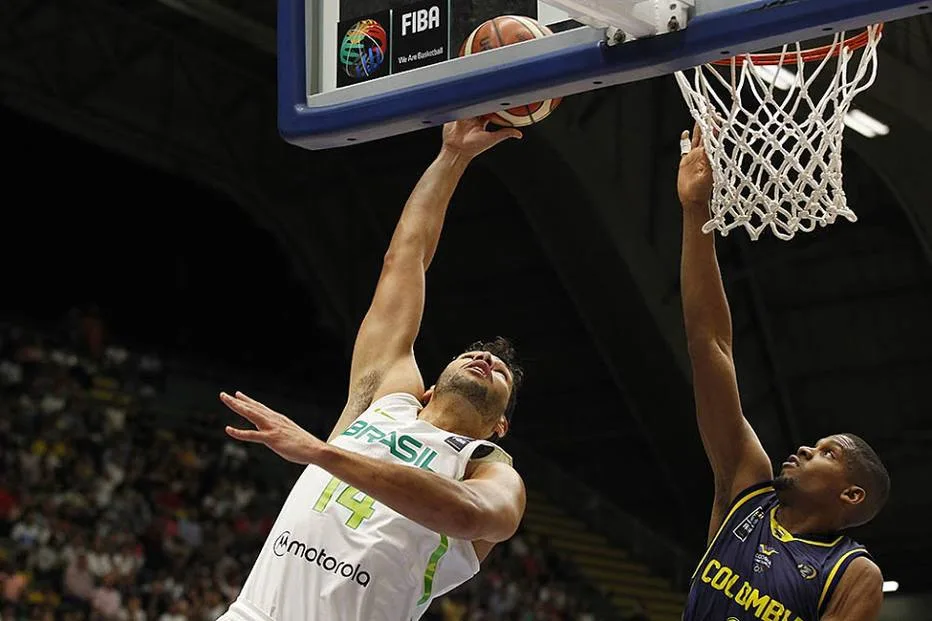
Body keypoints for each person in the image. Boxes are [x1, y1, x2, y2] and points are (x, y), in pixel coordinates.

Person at [214, 117, 527, 621]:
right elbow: (404, 259)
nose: (487, 358)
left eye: (502, 372)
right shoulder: (387, 395)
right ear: (427, 389)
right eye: (475, 350)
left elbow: (467, 515)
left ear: (500, 426)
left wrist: (321, 452)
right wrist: (452, 158)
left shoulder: (486, 469)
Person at [677, 125, 891, 621]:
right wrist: (695, 212)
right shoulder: (746, 487)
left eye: (826, 452)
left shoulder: (854, 572)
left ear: (851, 494)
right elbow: (710, 347)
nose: (803, 449)